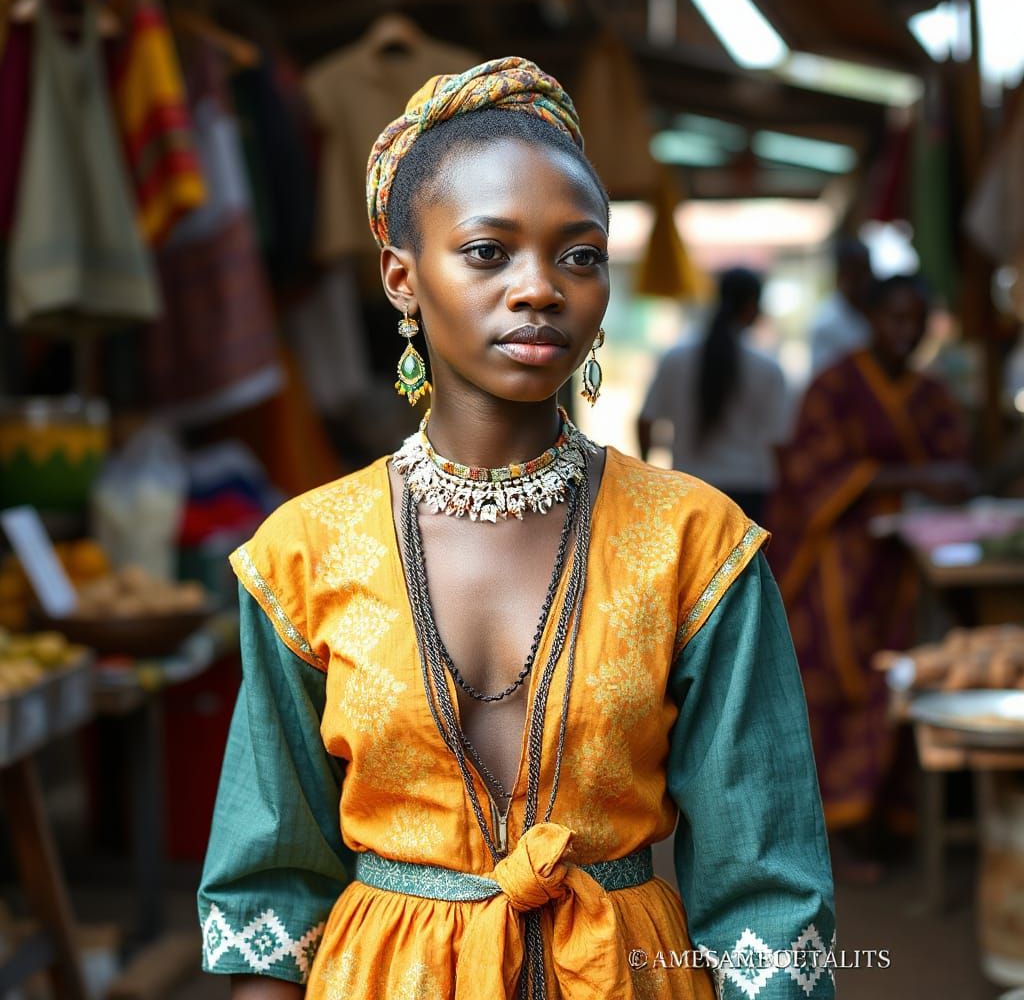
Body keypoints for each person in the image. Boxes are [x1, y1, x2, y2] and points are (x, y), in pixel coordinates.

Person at [198, 57, 835, 1000]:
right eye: (489, 251)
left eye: (579, 255)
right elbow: (270, 889)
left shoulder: (695, 545)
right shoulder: (304, 554)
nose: (541, 288)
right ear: (402, 278)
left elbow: (767, 887)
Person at [766, 275, 972, 880]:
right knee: (833, 686)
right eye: (894, 319)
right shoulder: (833, 387)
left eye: (917, 321)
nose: (905, 334)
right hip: (834, 567)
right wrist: (908, 479)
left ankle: (884, 819)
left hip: (906, 570)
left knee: (896, 679)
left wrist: (944, 480)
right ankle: (833, 832)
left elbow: (956, 464)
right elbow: (809, 473)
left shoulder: (933, 395)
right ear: (872, 319)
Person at [637, 267, 789, 522]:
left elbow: (645, 421)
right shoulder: (768, 368)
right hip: (750, 494)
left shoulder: (675, 359)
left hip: (689, 489)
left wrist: (647, 476)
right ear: (753, 307)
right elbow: (779, 444)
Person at [808, 239, 874, 376]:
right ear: (841, 275)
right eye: (856, 274)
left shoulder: (875, 312)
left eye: (866, 272)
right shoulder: (826, 323)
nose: (863, 281)